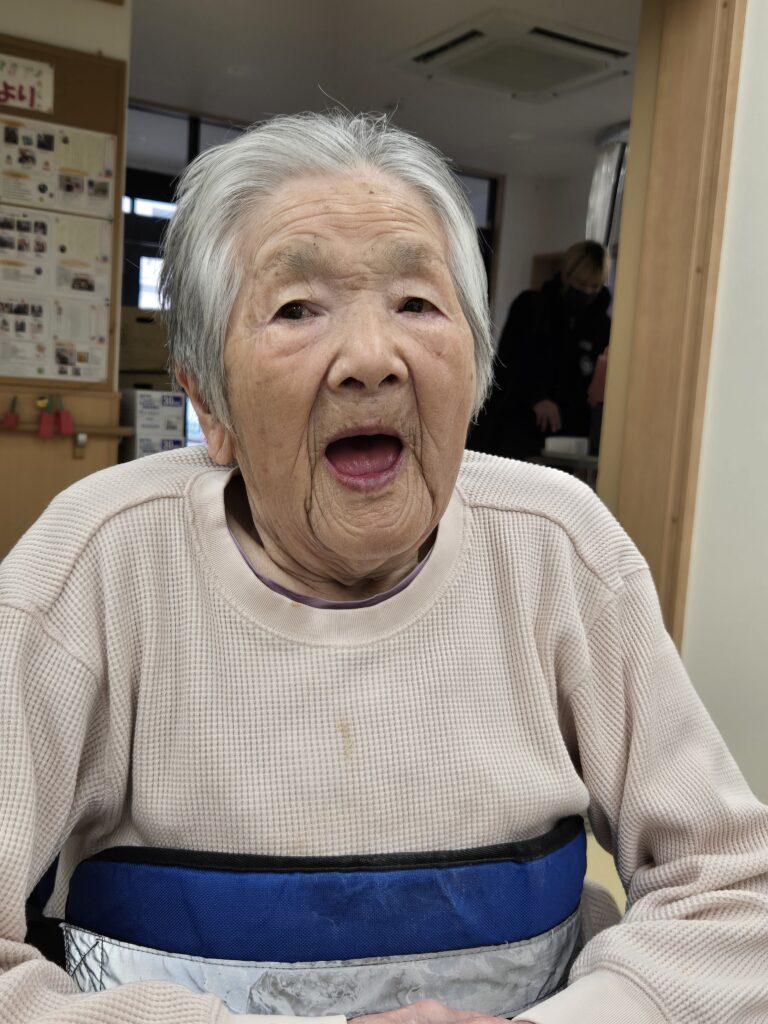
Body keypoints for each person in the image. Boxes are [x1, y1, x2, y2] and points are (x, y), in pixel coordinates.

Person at [0, 111, 766, 1024]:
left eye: (415, 303)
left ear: (474, 370)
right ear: (209, 405)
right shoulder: (95, 563)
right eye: (296, 308)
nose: (371, 360)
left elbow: (734, 891)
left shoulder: (559, 548)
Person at [469, 242, 611, 460]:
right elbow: (507, 366)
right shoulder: (531, 307)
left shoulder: (601, 326)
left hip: (567, 436)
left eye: (594, 287)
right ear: (565, 275)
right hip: (514, 430)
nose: (586, 292)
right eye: (581, 284)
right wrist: (536, 397)